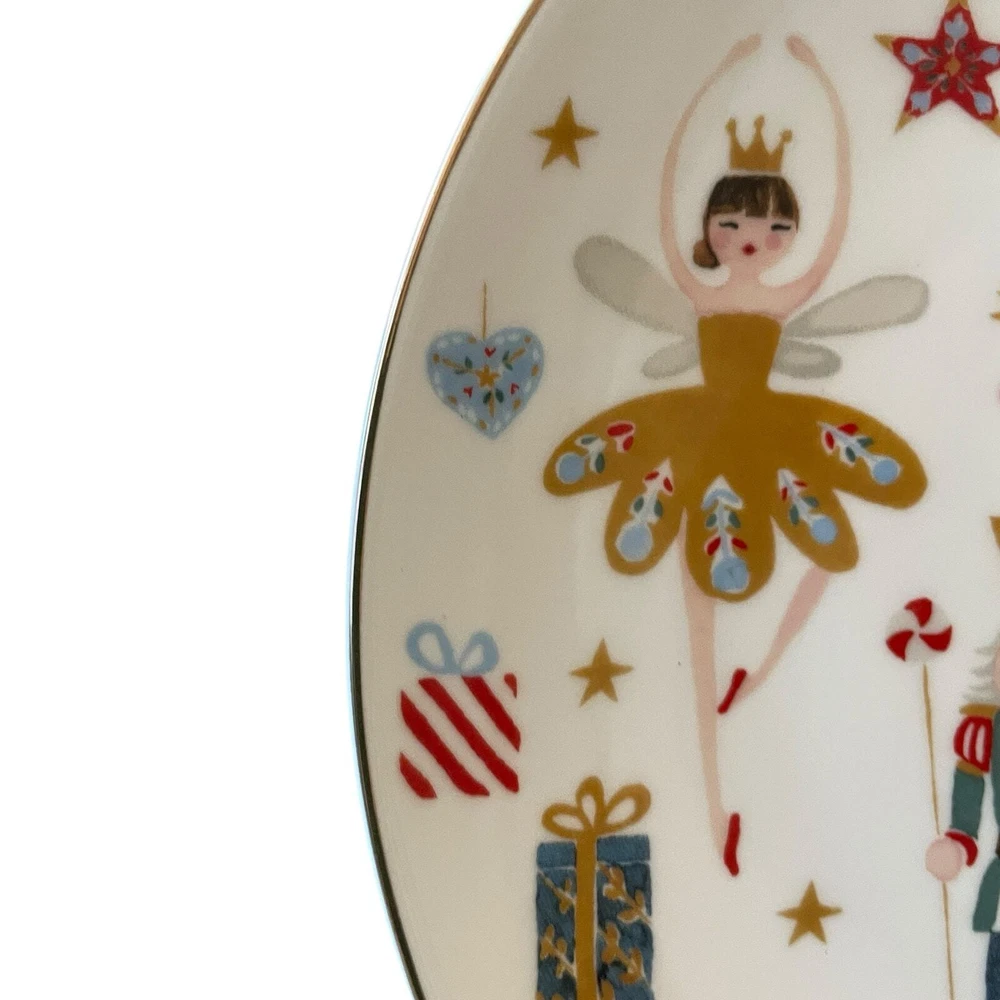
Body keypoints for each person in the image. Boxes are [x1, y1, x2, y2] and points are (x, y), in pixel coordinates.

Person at [544, 35, 927, 874]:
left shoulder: (791, 292)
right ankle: (711, 796)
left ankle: (760, 669)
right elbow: (660, 199)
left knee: (833, 544)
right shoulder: (696, 289)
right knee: (696, 578)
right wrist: (708, 81)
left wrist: (828, 91)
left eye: (775, 225)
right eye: (734, 223)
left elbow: (842, 223)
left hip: (770, 434)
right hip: (698, 437)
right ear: (710, 231)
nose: (755, 237)